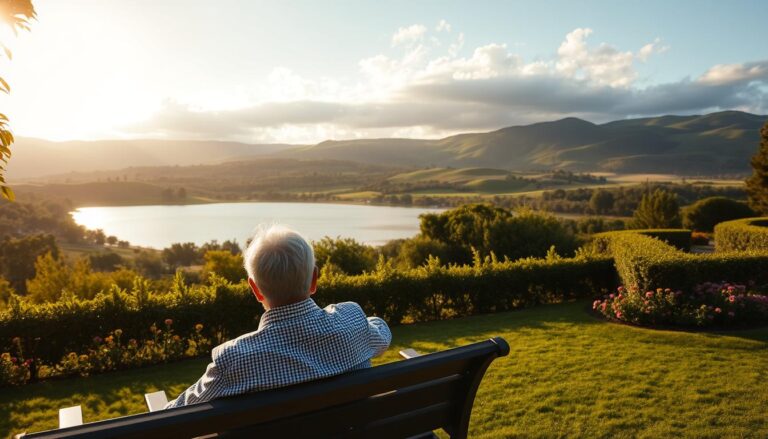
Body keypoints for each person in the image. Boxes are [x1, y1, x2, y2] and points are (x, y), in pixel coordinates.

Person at [165, 225, 391, 408]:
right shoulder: (351, 319)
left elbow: (178, 413)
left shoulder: (234, 360)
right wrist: (363, 322)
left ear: (255, 289)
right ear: (314, 280)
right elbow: (382, 334)